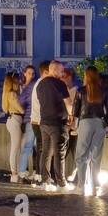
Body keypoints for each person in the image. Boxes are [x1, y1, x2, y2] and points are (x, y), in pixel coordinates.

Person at [72, 67, 108, 195]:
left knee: (81, 155)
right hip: (99, 123)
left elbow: (75, 110)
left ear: (86, 76)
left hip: (85, 123)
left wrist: (74, 125)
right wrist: (106, 124)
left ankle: (81, 186)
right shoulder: (104, 91)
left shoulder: (81, 91)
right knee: (96, 156)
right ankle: (95, 187)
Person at [35, 61, 71, 191]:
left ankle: (45, 181)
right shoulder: (60, 84)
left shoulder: (40, 85)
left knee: (46, 152)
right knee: (59, 153)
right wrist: (72, 117)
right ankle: (61, 182)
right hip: (58, 123)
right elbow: (68, 103)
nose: (62, 74)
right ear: (54, 70)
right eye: (61, 71)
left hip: (44, 122)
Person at [1, 72, 26, 182]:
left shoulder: (10, 93)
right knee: (15, 148)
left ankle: (17, 173)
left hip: (14, 120)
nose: (20, 81)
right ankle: (14, 174)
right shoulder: (12, 94)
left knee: (18, 147)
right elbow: (21, 109)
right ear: (14, 82)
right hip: (15, 119)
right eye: (18, 80)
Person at [27, 60, 48, 183]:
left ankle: (38, 173)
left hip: (36, 120)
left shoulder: (39, 83)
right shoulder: (42, 84)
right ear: (46, 71)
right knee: (42, 148)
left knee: (40, 148)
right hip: (39, 121)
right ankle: (39, 174)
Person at [17, 64, 36, 179]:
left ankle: (33, 170)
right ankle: (22, 170)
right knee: (28, 145)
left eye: (33, 73)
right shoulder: (24, 87)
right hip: (28, 118)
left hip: (31, 118)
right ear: (24, 73)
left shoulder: (33, 85)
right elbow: (21, 101)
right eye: (29, 73)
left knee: (33, 146)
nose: (31, 75)